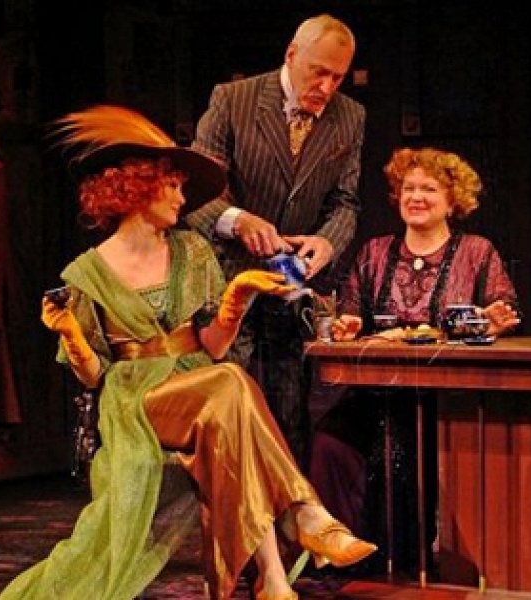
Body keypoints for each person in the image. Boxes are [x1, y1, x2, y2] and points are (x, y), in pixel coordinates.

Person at [0, 105, 374, 600]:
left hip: (201, 384)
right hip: (137, 402)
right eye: (172, 186)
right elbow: (91, 377)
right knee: (231, 384)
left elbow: (214, 346)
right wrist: (69, 331)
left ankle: (275, 581)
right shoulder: (86, 273)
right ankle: (302, 513)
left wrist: (236, 298)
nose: (181, 198)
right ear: (136, 187)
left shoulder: (191, 251)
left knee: (230, 410)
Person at [311, 147, 520, 576]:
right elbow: (350, 312)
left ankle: (407, 566)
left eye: (429, 189)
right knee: (330, 442)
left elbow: (502, 311)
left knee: (401, 448)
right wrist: (348, 326)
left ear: (452, 199)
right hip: (377, 392)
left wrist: (492, 323)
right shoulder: (374, 253)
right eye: (409, 188)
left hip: (447, 400)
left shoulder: (476, 252)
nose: (416, 197)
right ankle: (341, 557)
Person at [185, 14, 364, 468]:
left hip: (293, 282)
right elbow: (194, 190)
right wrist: (238, 221)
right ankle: (231, 504)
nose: (326, 87)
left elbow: (345, 202)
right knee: (232, 400)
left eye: (338, 77)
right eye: (318, 72)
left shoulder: (350, 116)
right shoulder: (233, 100)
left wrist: (326, 242)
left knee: (292, 409)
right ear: (291, 55)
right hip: (231, 276)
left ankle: (290, 506)